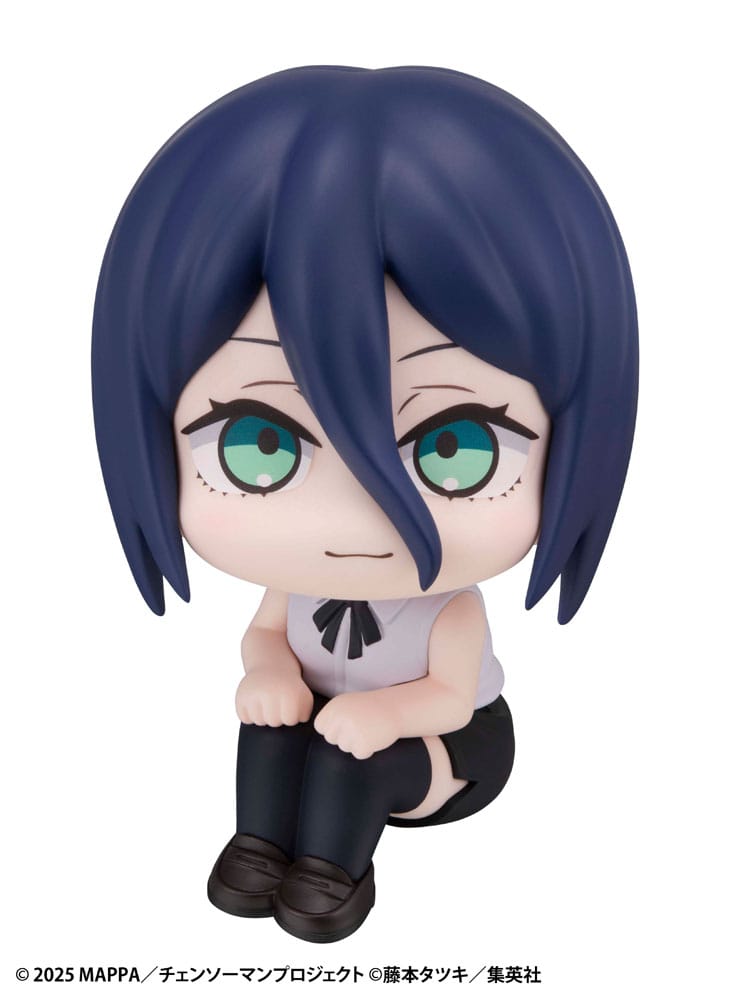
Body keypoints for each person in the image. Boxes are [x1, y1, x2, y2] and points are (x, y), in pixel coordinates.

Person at [92, 66, 638, 942]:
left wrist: (384, 714)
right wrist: (270, 674)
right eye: (257, 444)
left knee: (351, 759)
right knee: (269, 729)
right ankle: (259, 847)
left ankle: (333, 876)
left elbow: (452, 699)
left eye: (457, 448)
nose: (354, 521)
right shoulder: (295, 590)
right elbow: (266, 637)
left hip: (448, 752)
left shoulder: (449, 611)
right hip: (332, 725)